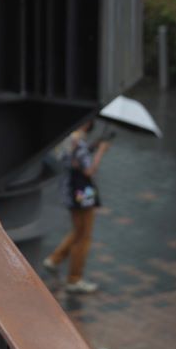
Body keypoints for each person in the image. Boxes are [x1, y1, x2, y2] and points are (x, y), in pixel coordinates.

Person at [43, 121, 111, 294]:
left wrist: (93, 146)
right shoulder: (78, 143)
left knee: (78, 230)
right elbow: (89, 171)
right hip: (82, 192)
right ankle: (74, 278)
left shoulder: (68, 139)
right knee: (84, 236)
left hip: (70, 190)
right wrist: (101, 151)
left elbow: (74, 160)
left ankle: (55, 258)